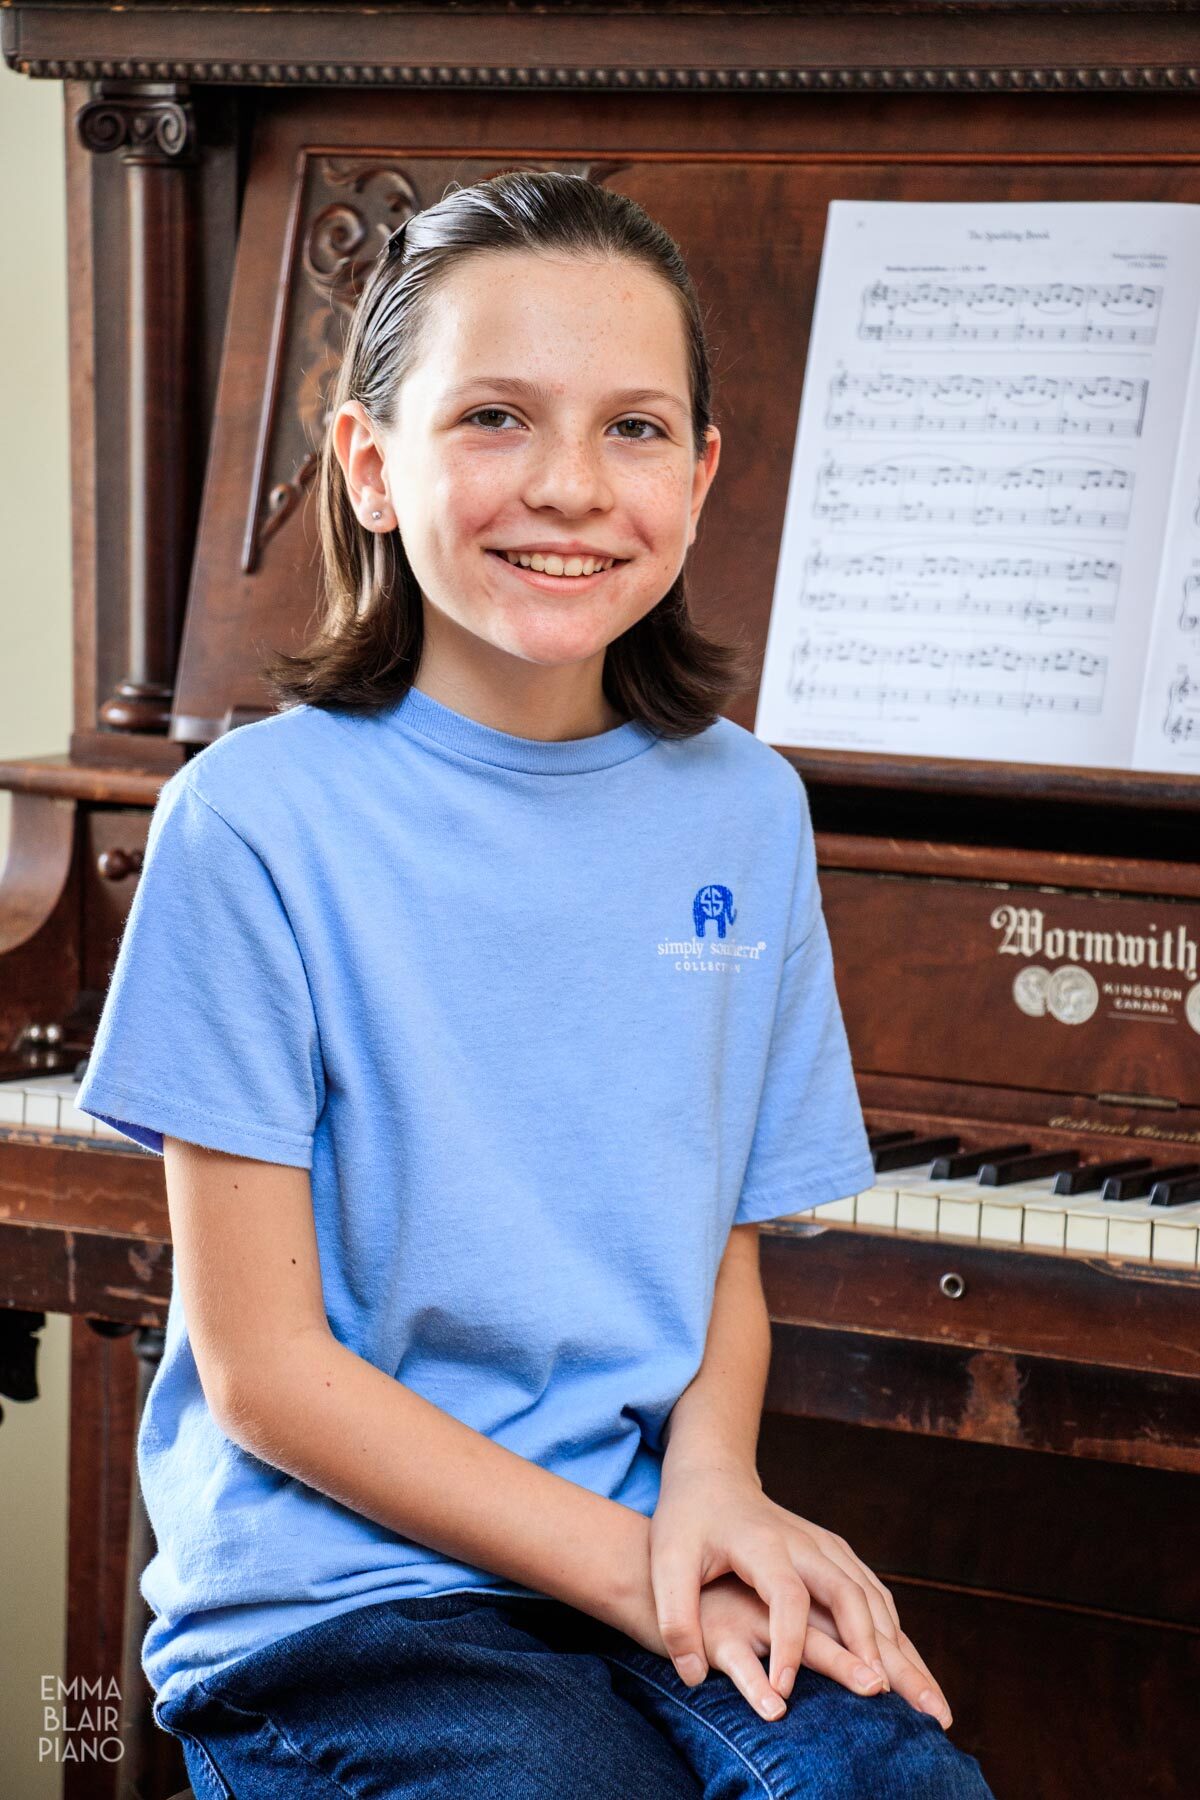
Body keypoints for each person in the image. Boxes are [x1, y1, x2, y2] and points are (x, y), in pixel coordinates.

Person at [76, 169, 994, 1798]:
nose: (570, 487)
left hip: (635, 1553)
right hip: (339, 1608)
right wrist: (641, 1568)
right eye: (495, 416)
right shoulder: (255, 820)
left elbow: (716, 1242)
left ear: (702, 478)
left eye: (635, 429)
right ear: (369, 465)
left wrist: (714, 1486)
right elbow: (269, 1378)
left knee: (897, 1780)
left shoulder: (746, 808)